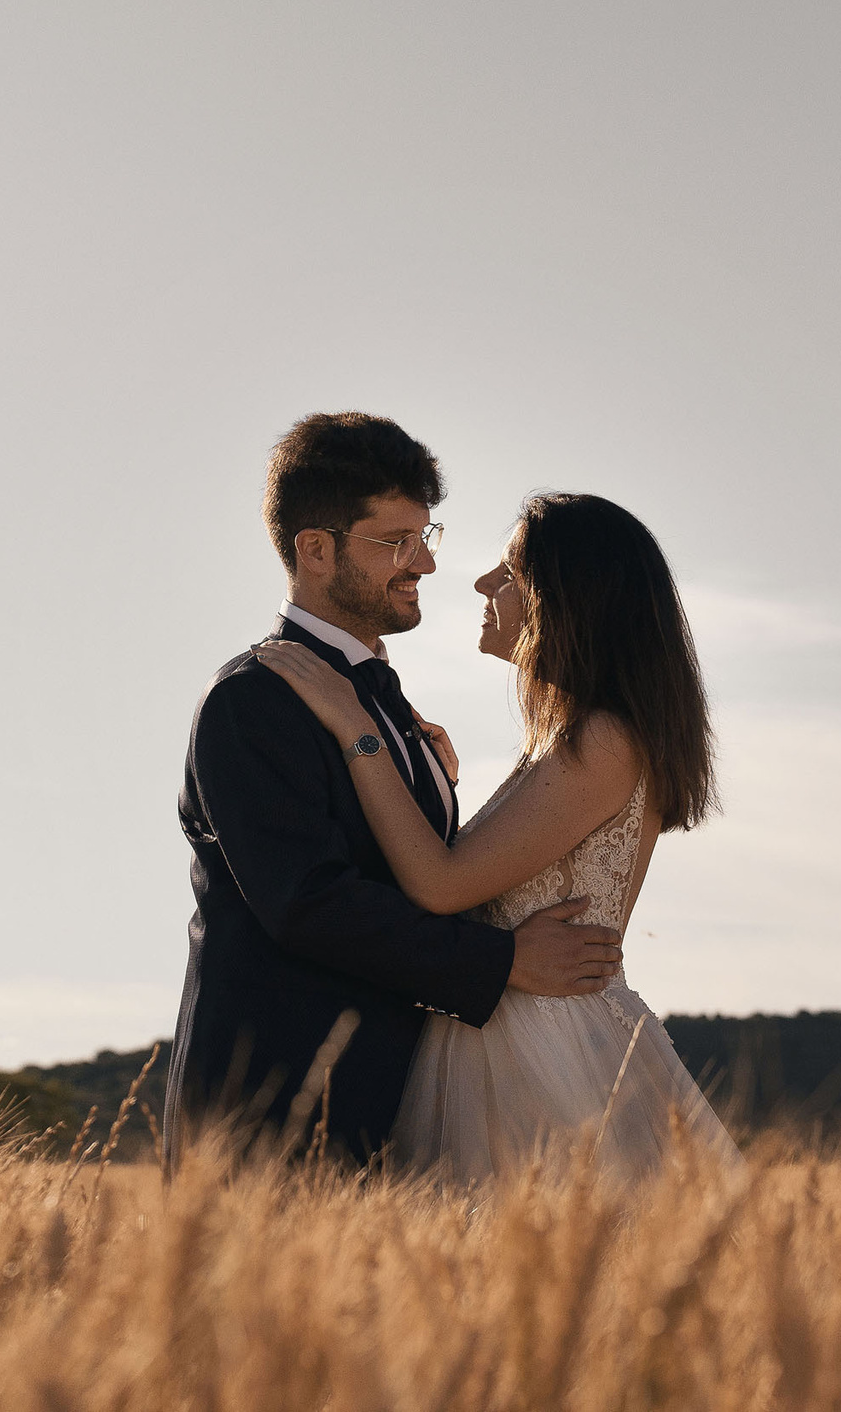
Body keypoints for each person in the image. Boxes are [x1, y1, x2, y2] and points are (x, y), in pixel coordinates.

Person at [165, 414, 628, 1168]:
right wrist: (503, 960)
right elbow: (310, 904)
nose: (425, 564)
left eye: (426, 536)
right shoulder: (253, 700)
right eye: (395, 542)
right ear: (316, 549)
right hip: (272, 1111)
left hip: (397, 1101)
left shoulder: (388, 710)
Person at [254, 490, 741, 1179]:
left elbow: (442, 884)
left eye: (511, 571)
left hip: (541, 1049)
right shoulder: (570, 741)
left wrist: (358, 730)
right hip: (514, 1034)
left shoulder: (603, 740)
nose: (484, 583)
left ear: (571, 598)